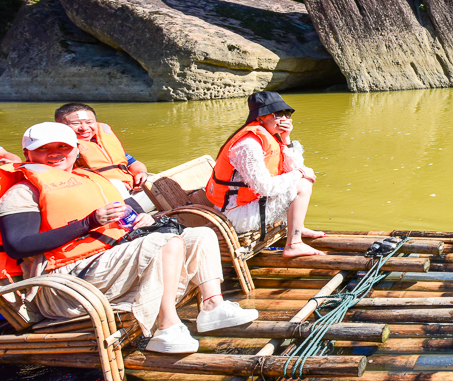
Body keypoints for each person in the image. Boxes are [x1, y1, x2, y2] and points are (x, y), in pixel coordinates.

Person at [0, 122, 258, 353]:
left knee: (199, 235)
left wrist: (138, 220)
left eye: (62, 147)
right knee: (165, 243)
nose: (55, 153)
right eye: (44, 149)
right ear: (27, 154)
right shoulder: (23, 192)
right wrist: (89, 223)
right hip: (66, 285)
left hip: (106, 264)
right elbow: (18, 246)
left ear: (76, 150)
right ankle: (165, 327)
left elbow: (118, 219)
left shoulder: (87, 178)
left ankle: (213, 306)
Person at [206, 91, 325, 258]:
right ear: (260, 117)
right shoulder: (248, 145)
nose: (285, 119)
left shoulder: (271, 137)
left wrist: (286, 138)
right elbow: (265, 188)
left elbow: (294, 168)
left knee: (303, 179)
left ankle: (297, 228)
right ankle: (294, 244)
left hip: (252, 203)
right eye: (278, 114)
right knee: (302, 185)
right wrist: (300, 173)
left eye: (287, 113)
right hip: (237, 214)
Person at [55, 103, 148, 192]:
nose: (84, 128)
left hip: (129, 187)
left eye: (89, 122)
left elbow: (133, 162)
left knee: (154, 181)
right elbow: (62, 177)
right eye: (76, 123)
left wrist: (141, 173)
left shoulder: (102, 142)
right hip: (99, 192)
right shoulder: (62, 148)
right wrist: (108, 185)